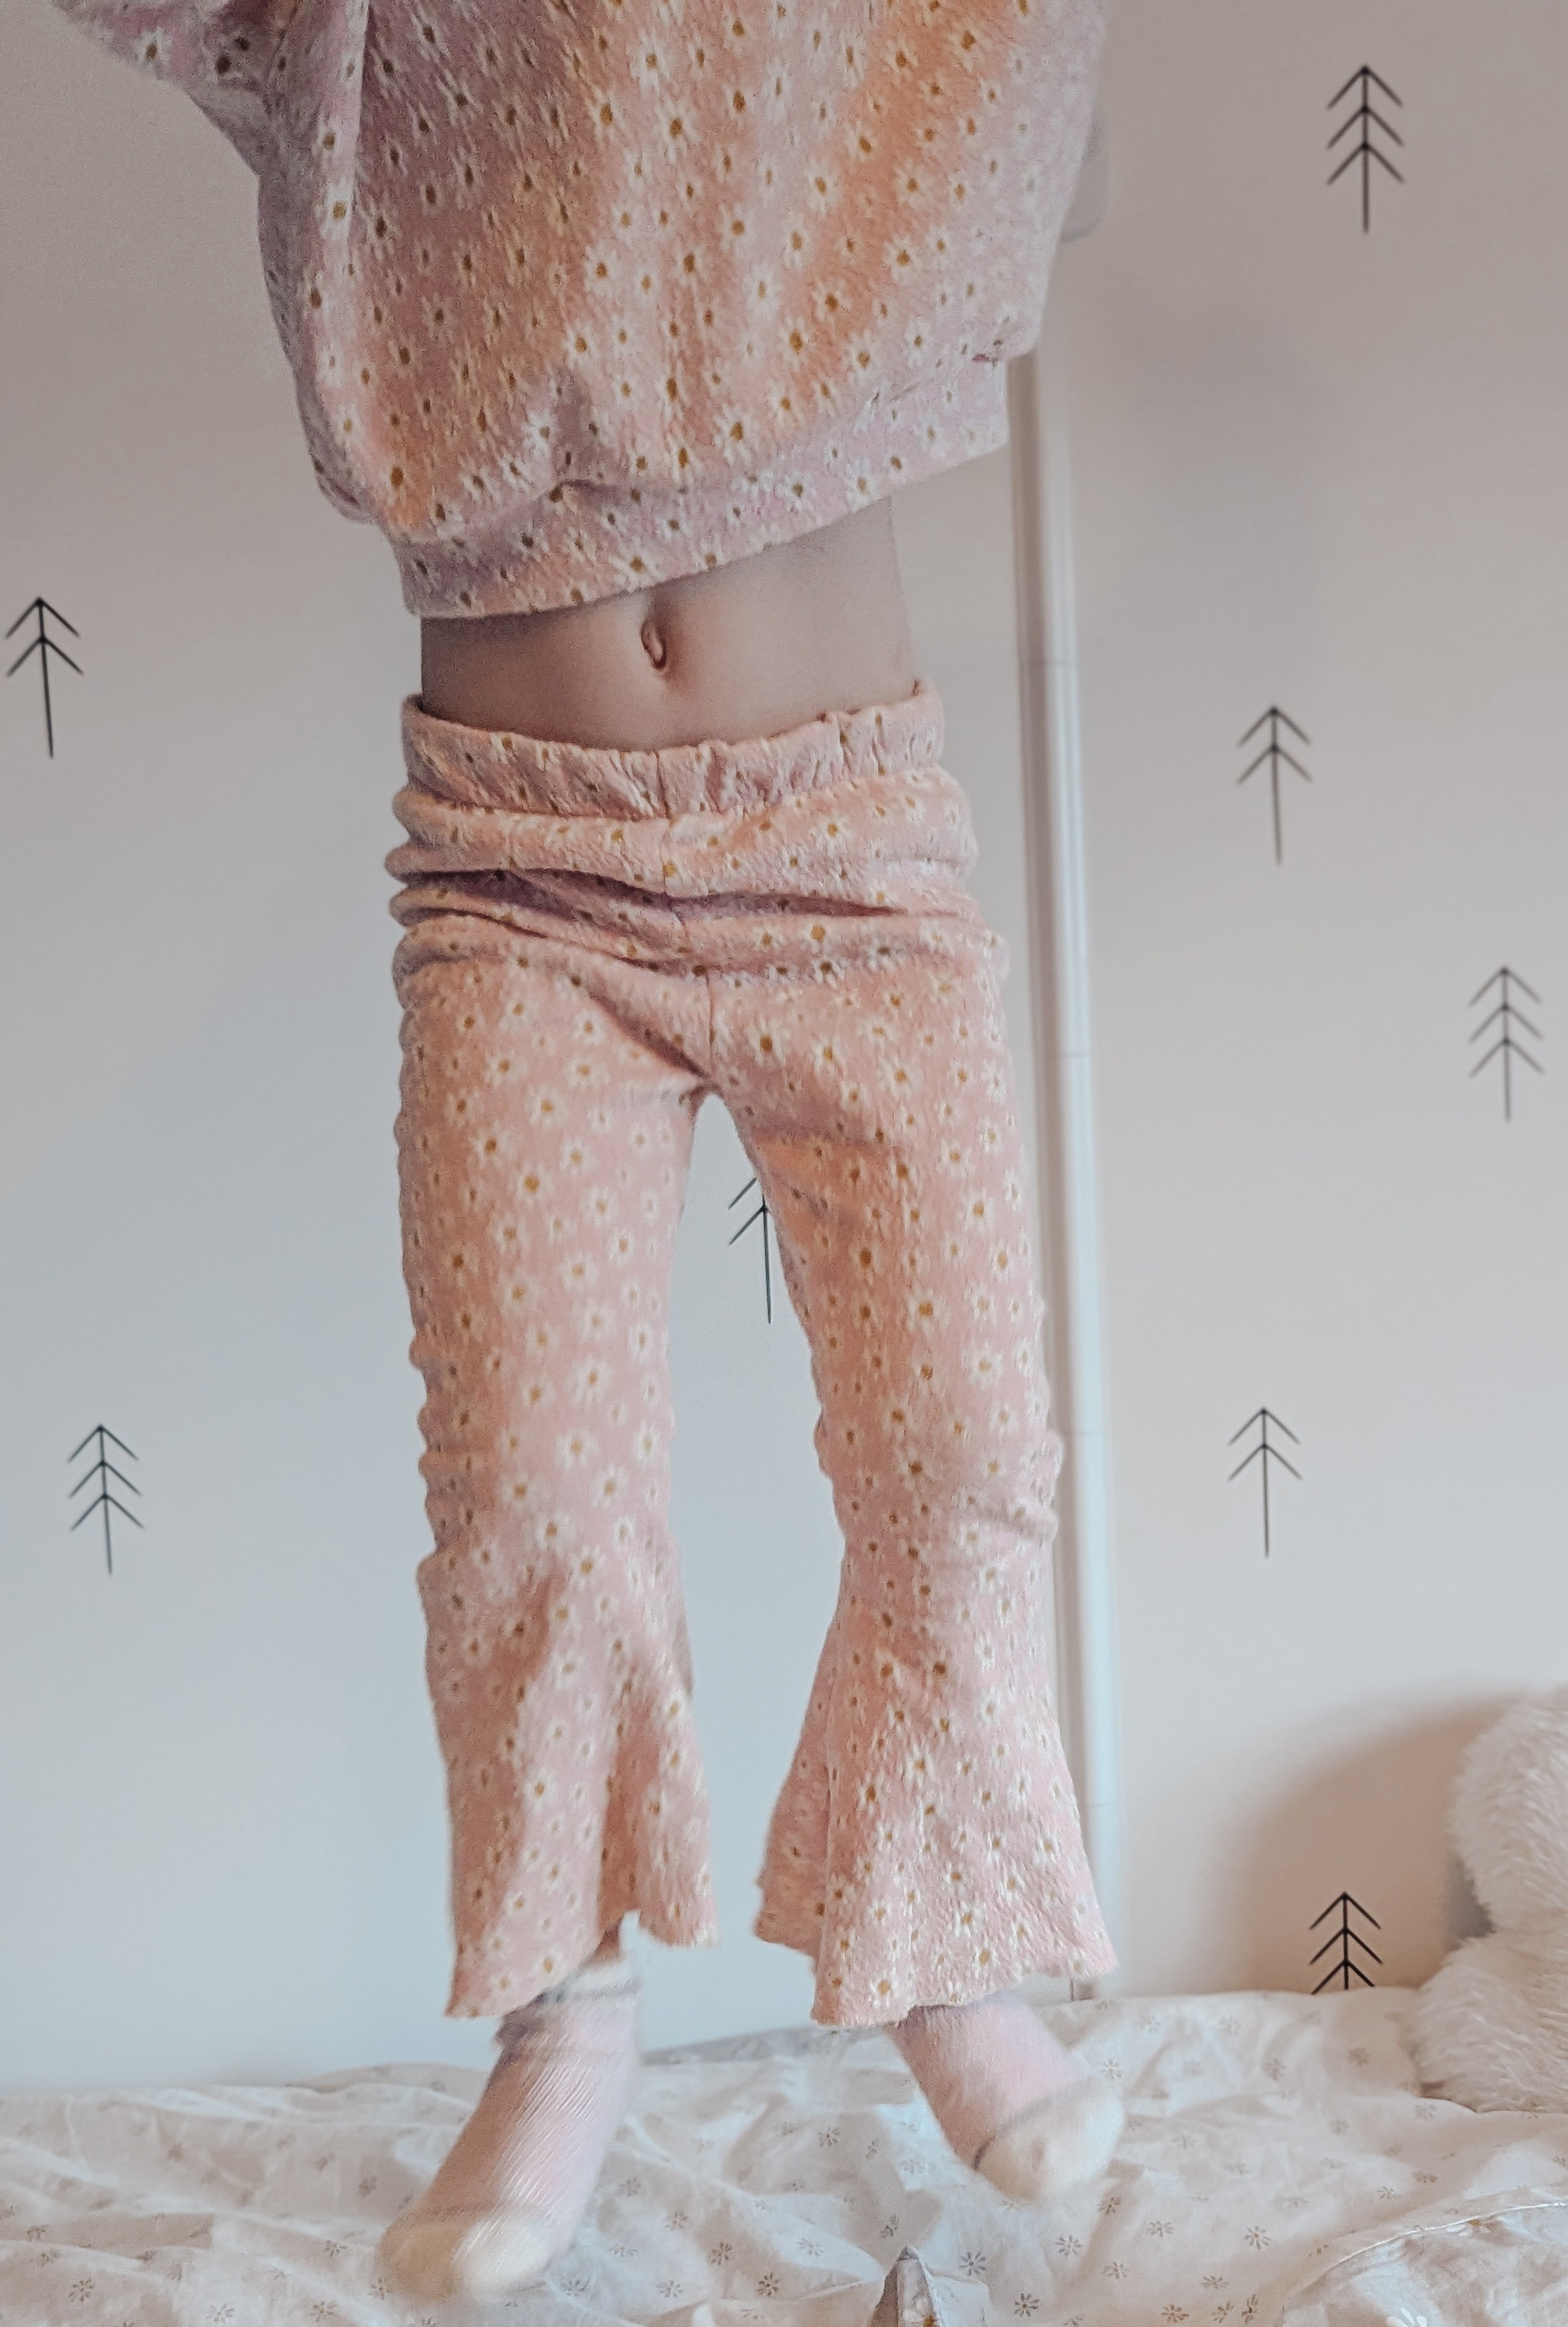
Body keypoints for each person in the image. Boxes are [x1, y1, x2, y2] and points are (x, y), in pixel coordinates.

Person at [53, 0, 1119, 2302]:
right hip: (514, 870)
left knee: (960, 1446)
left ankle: (939, 1939)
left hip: (848, 847)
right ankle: (566, 2006)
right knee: (532, 1491)